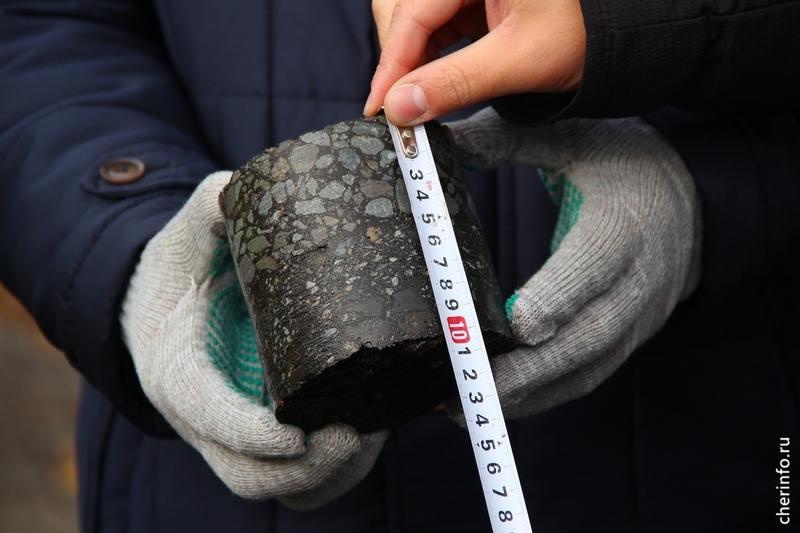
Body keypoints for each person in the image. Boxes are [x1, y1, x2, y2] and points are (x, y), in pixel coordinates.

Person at [0, 2, 798, 533]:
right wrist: (125, 240)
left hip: (695, 449)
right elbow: (34, 27)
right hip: (202, 499)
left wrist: (719, 183)